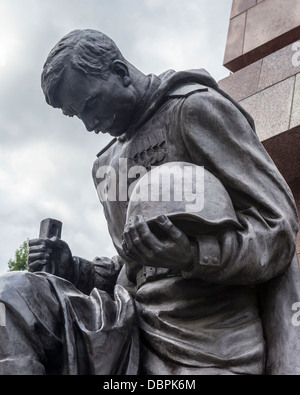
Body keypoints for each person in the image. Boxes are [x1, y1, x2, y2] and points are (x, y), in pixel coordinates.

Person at [1, 29, 299, 375]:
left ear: (120, 72)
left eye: (90, 105)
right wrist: (76, 271)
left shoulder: (193, 110)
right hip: (130, 324)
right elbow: (133, 262)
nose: (88, 124)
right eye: (75, 116)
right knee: (14, 297)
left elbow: (277, 229)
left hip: (210, 330)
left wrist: (192, 254)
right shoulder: (106, 164)